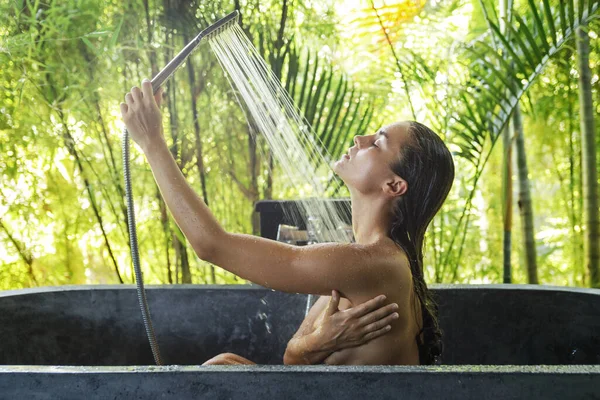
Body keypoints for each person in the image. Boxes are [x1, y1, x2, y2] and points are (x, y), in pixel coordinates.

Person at [121, 79, 455, 365]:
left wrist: (152, 142)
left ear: (394, 186)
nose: (360, 139)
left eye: (377, 143)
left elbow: (211, 245)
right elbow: (292, 359)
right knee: (224, 365)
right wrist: (313, 345)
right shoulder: (362, 265)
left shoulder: (373, 263)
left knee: (221, 369)